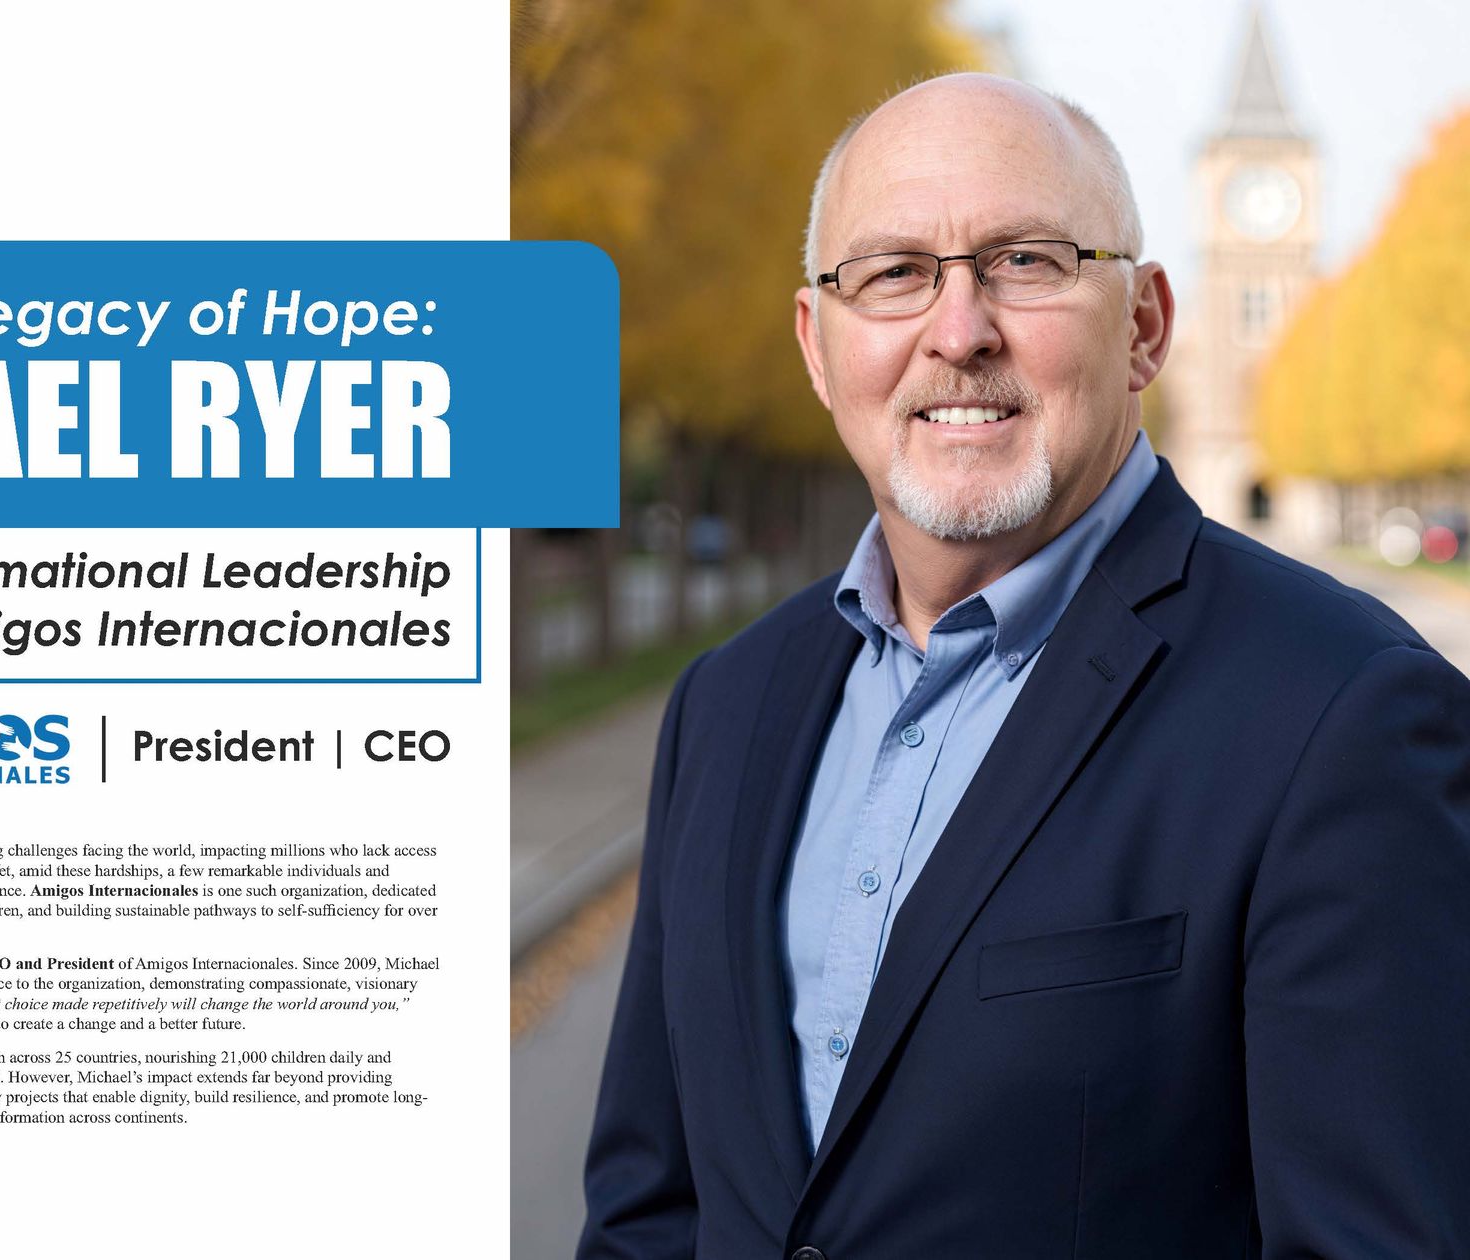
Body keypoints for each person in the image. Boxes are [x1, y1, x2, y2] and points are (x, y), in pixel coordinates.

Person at [577, 73, 1470, 1259]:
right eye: (894, 272)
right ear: (816, 342)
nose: (958, 331)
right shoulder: (726, 704)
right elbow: (651, 1212)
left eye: (1028, 261)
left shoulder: (1345, 714)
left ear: (1146, 324)